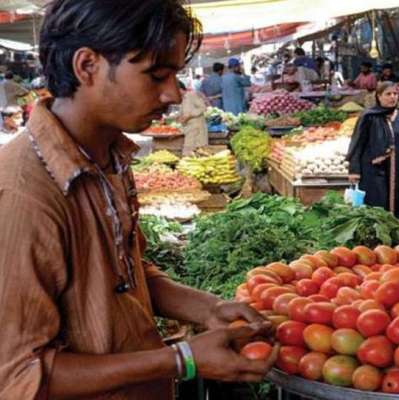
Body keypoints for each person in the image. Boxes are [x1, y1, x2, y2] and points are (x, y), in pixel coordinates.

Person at [0, 1, 277, 399]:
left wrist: (207, 308)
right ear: (87, 66)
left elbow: (126, 274)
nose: (173, 95)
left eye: (175, 76)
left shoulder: (107, 156)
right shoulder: (24, 192)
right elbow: (19, 376)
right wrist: (181, 359)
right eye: (156, 75)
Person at [346, 82, 399, 219]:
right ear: (379, 96)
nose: (392, 97)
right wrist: (354, 170)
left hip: (396, 169)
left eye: (395, 94)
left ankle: (393, 236)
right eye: (388, 94)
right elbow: (357, 143)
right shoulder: (369, 116)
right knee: (376, 203)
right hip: (373, 170)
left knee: (396, 202)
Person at [179, 81, 208, 155]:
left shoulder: (192, 95)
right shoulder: (183, 99)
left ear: (180, 89)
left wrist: (190, 115)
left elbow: (203, 108)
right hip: (189, 129)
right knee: (189, 153)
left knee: (197, 152)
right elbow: (183, 113)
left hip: (197, 129)